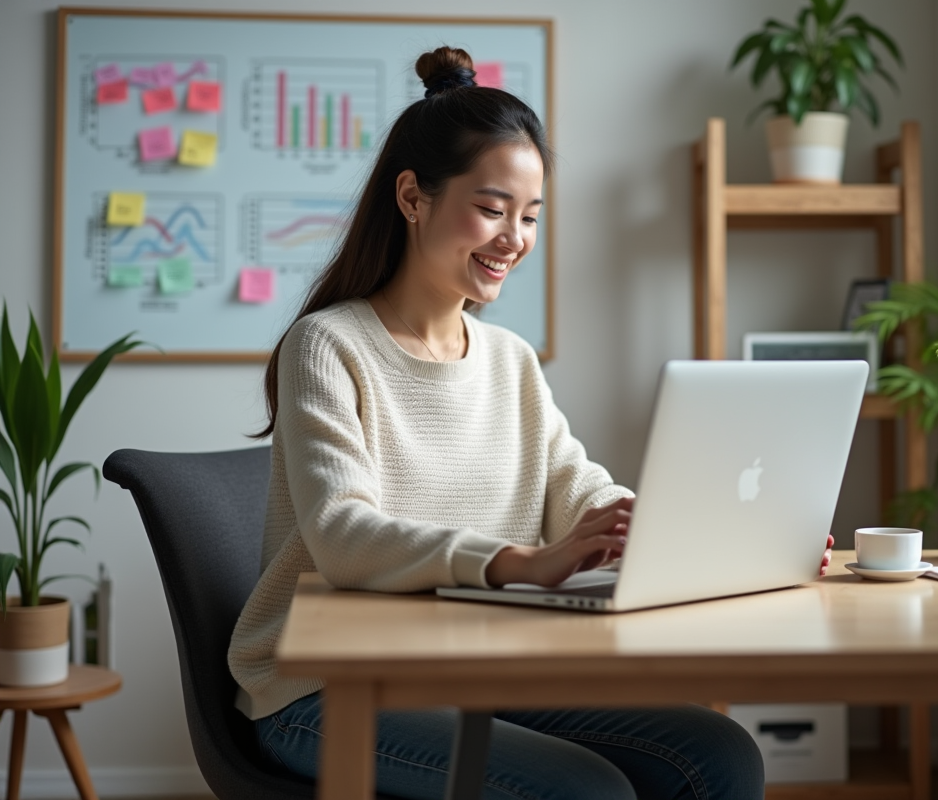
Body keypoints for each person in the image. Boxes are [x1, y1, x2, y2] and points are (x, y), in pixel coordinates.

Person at [229, 46, 833, 800]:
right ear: (413, 197)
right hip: (324, 687)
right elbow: (343, 535)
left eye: (530, 216)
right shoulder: (329, 345)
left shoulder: (509, 359)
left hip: (480, 666)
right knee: (587, 791)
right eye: (491, 208)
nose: (513, 237)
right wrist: (513, 560)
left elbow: (574, 487)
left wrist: (703, 532)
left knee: (721, 755)